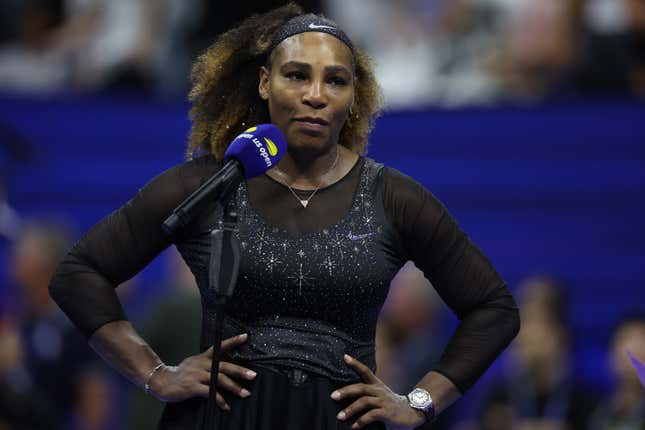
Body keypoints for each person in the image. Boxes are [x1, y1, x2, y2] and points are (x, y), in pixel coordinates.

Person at [49, 3, 520, 429]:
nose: (316, 94)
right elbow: (79, 273)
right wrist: (155, 374)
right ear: (264, 82)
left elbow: (493, 309)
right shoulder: (209, 183)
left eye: (336, 80)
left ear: (354, 96)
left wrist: (418, 402)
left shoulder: (394, 197)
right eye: (296, 75)